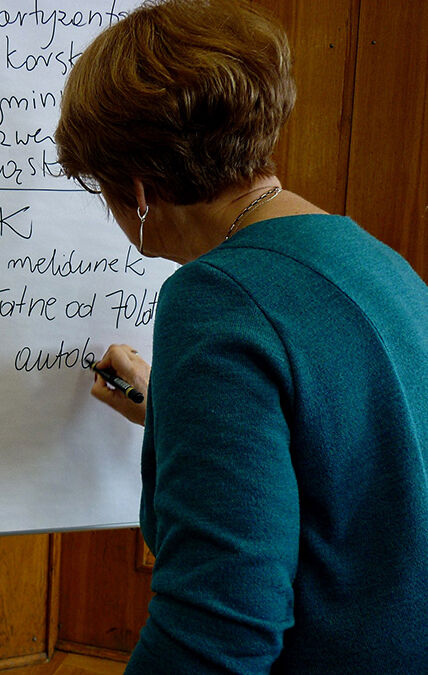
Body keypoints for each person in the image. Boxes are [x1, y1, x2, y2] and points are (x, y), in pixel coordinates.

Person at [55, 0, 428, 672]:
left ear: (138, 190)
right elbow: (343, 459)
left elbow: (217, 624)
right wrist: (169, 408)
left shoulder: (216, 298)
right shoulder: (376, 260)